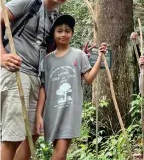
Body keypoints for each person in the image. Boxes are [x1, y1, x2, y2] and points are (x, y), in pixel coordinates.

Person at [0, 0, 75, 160]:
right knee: (13, 136)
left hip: (36, 78)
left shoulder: (54, 19)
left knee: (31, 136)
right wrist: (1, 55)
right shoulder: (29, 2)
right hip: (17, 72)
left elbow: (51, 53)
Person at [35, 14, 107, 159]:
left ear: (72, 34)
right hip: (52, 112)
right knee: (60, 152)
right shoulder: (47, 60)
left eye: (67, 31)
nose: (63, 34)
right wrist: (38, 114)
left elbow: (89, 79)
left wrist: (99, 58)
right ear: (53, 33)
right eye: (59, 31)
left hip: (70, 112)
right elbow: (43, 88)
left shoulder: (78, 55)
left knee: (61, 150)